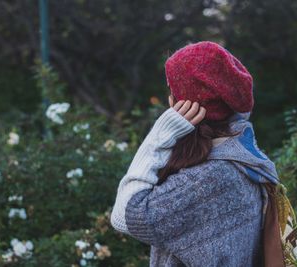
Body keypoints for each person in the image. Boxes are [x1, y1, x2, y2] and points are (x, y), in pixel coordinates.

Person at [110, 41, 280, 267]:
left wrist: (158, 137)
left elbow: (123, 217)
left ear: (180, 108)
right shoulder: (248, 160)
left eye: (172, 92)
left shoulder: (207, 179)